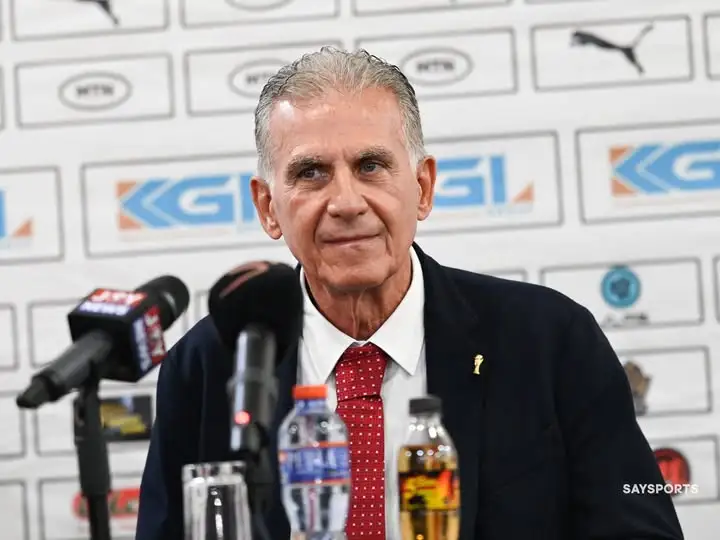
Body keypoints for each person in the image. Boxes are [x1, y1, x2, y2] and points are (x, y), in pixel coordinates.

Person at [135, 47, 684, 540]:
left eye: (370, 166)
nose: (346, 202)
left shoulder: (549, 340)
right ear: (267, 206)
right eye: (312, 173)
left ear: (422, 187)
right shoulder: (209, 364)